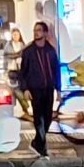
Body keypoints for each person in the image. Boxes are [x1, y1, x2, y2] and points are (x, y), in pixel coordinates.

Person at [16, 19, 62, 156]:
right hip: (35, 89)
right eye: (35, 31)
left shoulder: (50, 50)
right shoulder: (29, 51)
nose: (36, 33)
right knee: (39, 118)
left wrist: (58, 89)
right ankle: (42, 147)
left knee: (47, 117)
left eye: (39, 30)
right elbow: (23, 72)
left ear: (45, 33)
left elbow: (56, 70)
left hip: (48, 88)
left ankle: (37, 142)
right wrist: (25, 89)